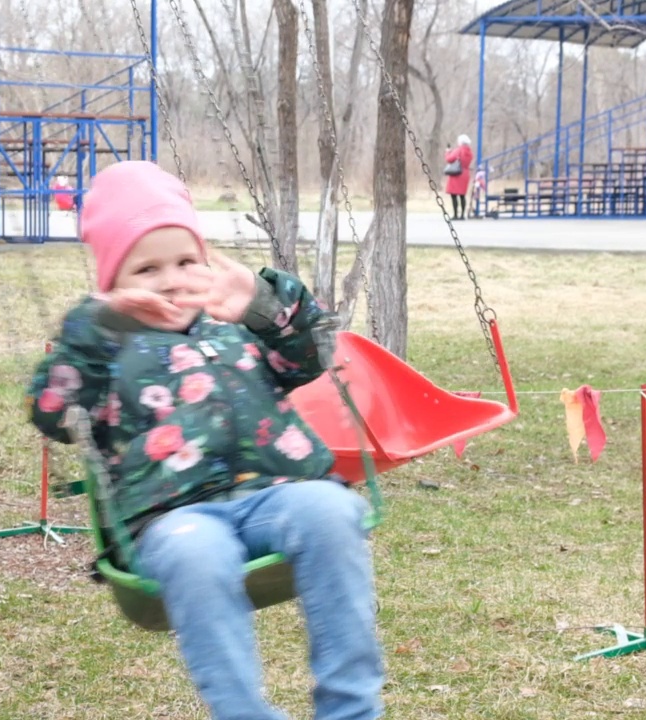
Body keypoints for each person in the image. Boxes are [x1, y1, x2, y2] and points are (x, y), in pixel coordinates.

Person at [26, 160, 384, 720]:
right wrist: (98, 326)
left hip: (276, 493)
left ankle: (351, 709)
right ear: (112, 285)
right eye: (146, 269)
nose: (172, 279)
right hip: (172, 516)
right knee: (199, 553)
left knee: (331, 511)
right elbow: (52, 411)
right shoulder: (106, 347)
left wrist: (265, 305)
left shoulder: (234, 325)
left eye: (186, 260)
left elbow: (310, 356)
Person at [444, 135, 474, 220]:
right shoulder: (470, 152)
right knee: (462, 195)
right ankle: (462, 215)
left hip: (456, 173)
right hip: (465, 173)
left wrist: (447, 152)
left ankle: (455, 214)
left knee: (454, 195)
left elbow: (449, 159)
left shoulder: (458, 150)